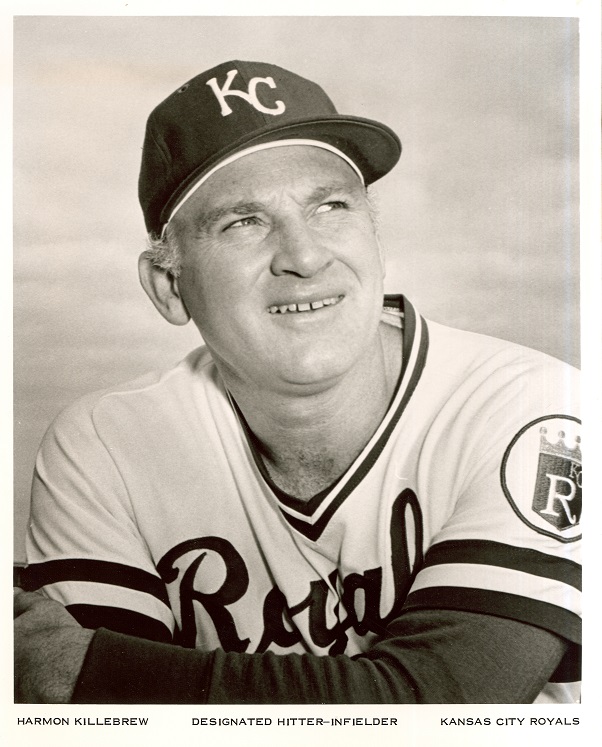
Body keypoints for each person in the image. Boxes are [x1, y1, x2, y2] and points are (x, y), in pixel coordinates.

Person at [14, 60, 581, 704]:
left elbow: (446, 706)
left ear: (373, 232)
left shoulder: (535, 409)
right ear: (171, 287)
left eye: (331, 206)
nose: (306, 257)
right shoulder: (104, 445)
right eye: (244, 223)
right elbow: (100, 733)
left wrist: (97, 672)